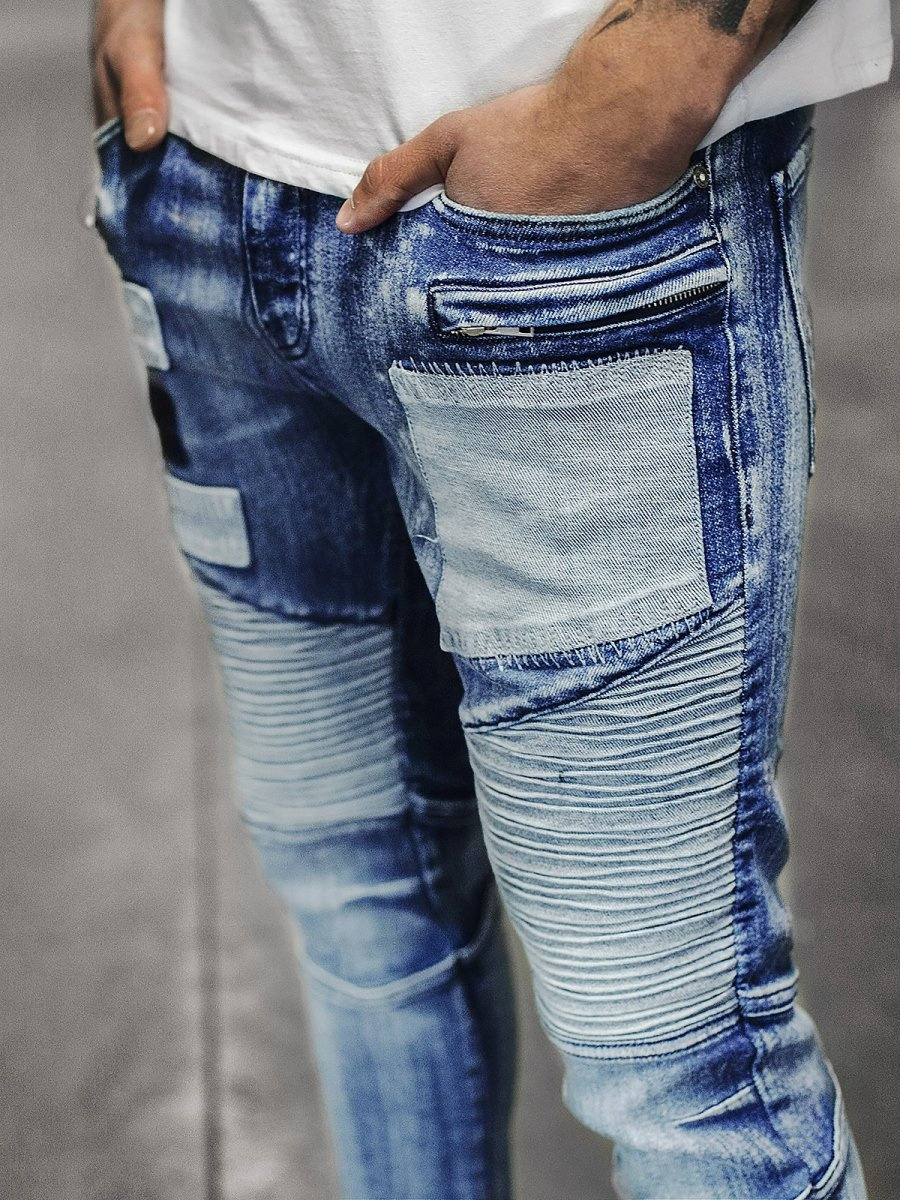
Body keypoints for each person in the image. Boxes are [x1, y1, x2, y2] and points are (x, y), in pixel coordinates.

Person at [88, 0, 892, 1196]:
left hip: (569, 240)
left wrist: (656, 74)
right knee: (363, 914)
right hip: (203, 188)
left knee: (678, 1060)